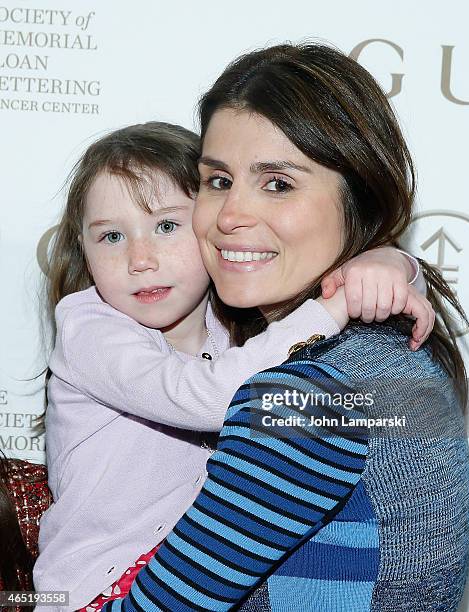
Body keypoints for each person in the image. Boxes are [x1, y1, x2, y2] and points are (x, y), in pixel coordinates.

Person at [103, 43, 469, 612]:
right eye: (218, 180)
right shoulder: (384, 363)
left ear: (359, 200)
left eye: (278, 183)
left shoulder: (304, 401)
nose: (229, 215)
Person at [32, 122, 430, 611]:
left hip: (175, 572)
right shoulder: (89, 328)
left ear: (209, 226)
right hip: (96, 588)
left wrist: (392, 265)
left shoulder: (229, 328)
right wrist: (332, 309)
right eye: (111, 236)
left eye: (166, 226)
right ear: (84, 250)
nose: (140, 258)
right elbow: (205, 396)